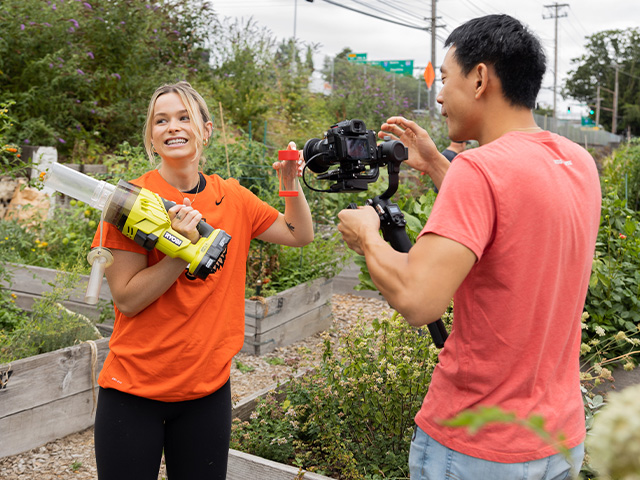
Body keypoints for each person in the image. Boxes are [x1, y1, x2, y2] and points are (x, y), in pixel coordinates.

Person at [337, 14, 601, 480]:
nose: (438, 95)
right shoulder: (575, 160)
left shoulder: (479, 170)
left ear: (479, 78)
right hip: (558, 438)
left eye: (444, 78)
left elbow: (419, 299)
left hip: (478, 446)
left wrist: (367, 237)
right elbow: (516, 218)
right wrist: (443, 166)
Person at [91, 81, 313, 480]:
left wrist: (290, 182)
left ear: (206, 130)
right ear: (152, 136)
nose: (172, 127)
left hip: (207, 393)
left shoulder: (234, 198)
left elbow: (298, 233)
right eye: (161, 120)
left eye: (183, 117)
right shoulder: (130, 201)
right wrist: (184, 249)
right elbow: (126, 299)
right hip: (132, 391)